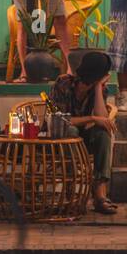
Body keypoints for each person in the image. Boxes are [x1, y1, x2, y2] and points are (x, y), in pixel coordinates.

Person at [50, 49, 118, 214]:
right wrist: (92, 119)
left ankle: (100, 195)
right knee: (72, 130)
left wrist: (97, 88)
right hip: (59, 139)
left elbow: (103, 119)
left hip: (84, 139)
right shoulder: (63, 84)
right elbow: (61, 121)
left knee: (103, 134)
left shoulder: (100, 89)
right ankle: (73, 192)